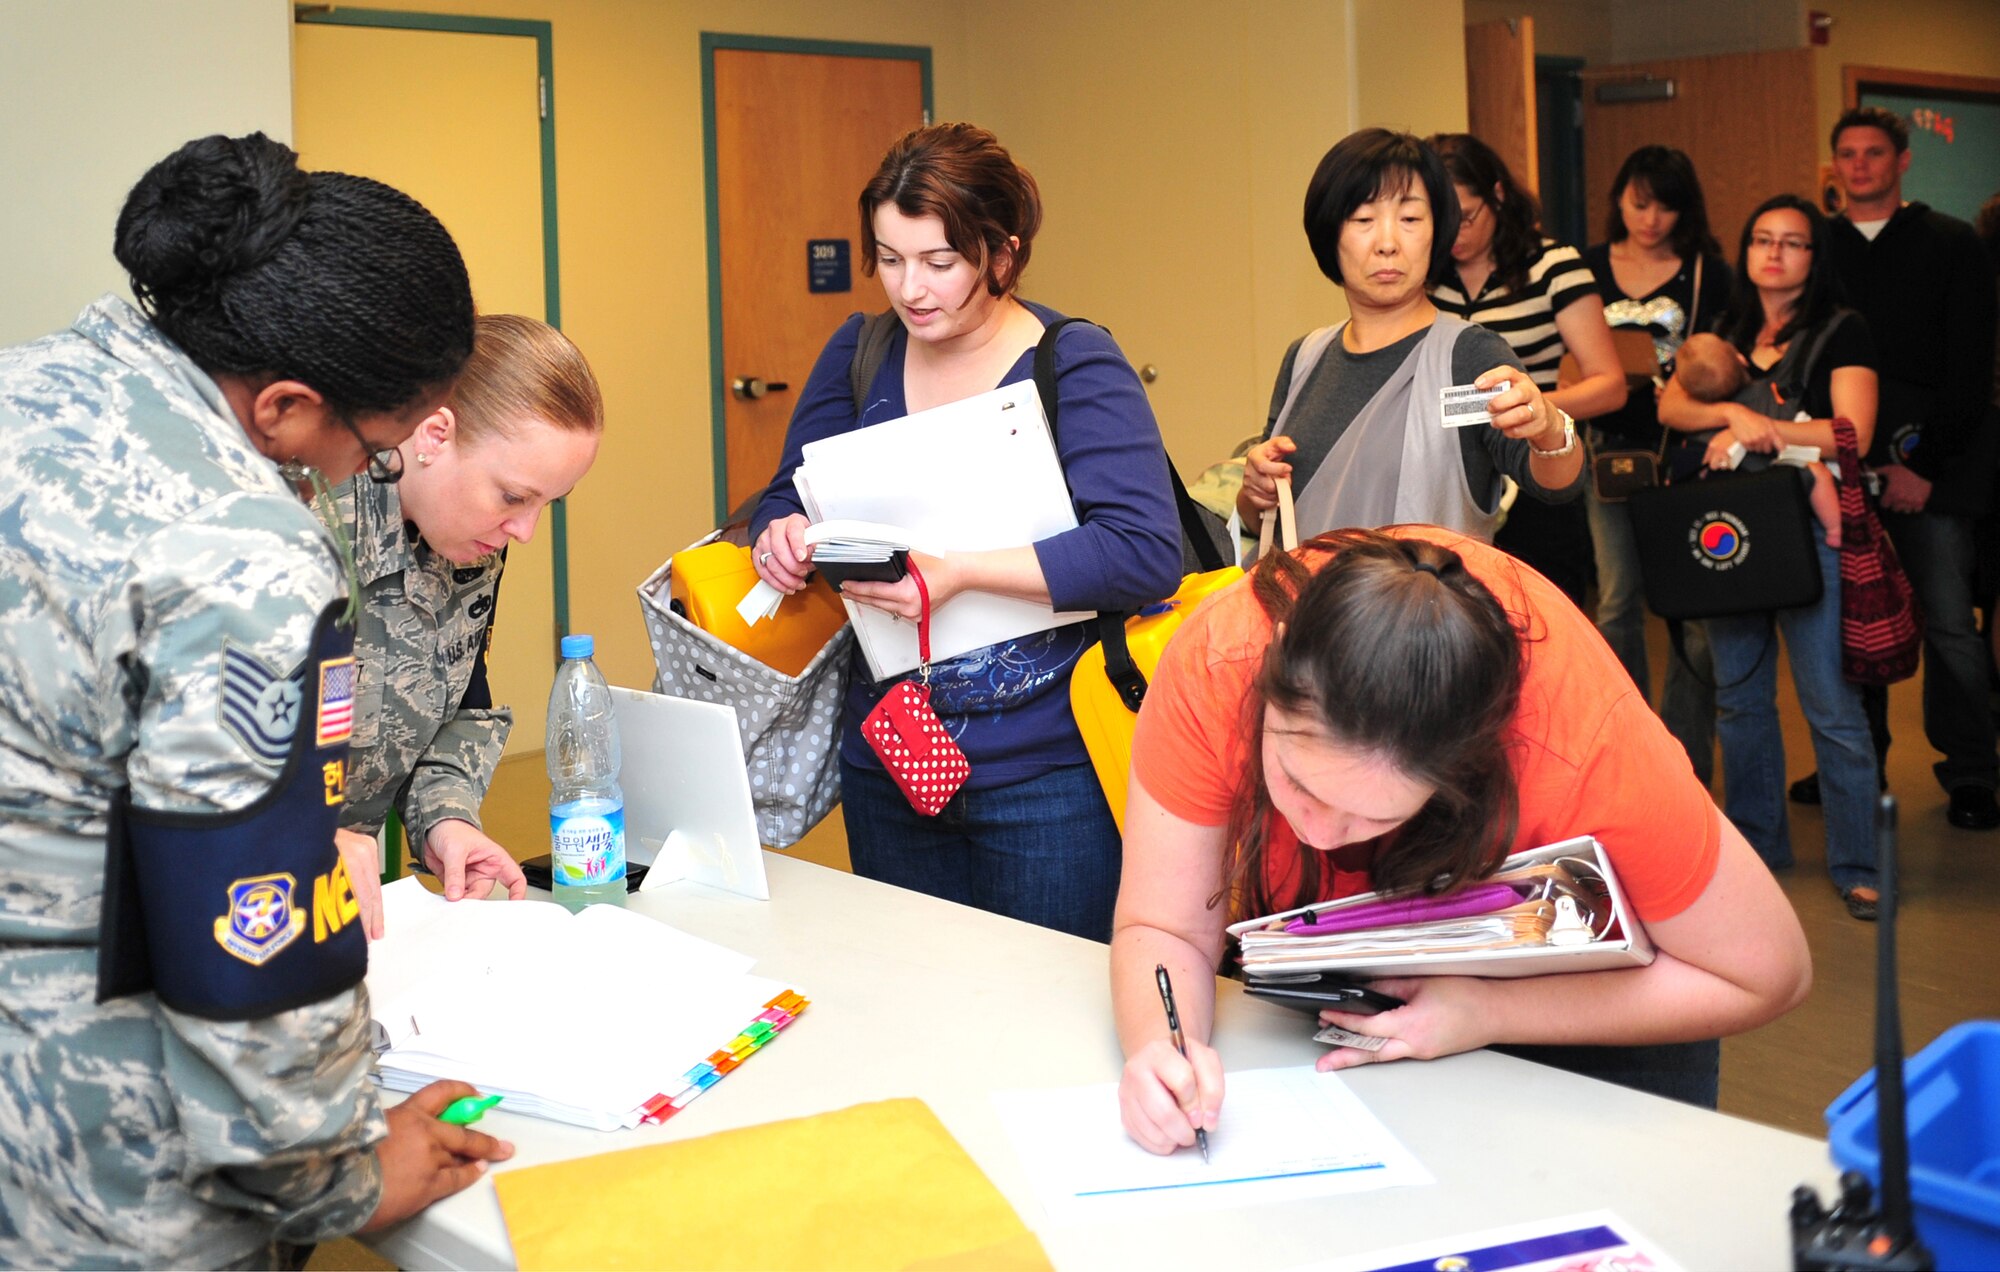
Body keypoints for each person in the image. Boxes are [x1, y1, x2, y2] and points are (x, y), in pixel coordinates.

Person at [0, 133, 512, 1267]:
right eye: (376, 454)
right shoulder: (244, 553)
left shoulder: (29, 388)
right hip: (93, 1157)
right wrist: (343, 1172)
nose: (359, 480)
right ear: (283, 405)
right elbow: (250, 930)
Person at [1111, 527, 1812, 1155]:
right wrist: (1163, 1050)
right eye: (1298, 783)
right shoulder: (1217, 665)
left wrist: (1490, 1011)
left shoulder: (1575, 740)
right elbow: (1164, 924)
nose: (1319, 833)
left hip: (1601, 1009)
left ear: (1469, 768)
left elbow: (1767, 972)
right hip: (1368, 1014)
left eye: (1369, 818)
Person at [750, 123, 1182, 942]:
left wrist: (961, 572)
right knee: (916, 1004)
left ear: (1002, 255)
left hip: (1046, 769)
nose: (910, 288)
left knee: (1045, 1017)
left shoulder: (1073, 361)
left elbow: (1141, 550)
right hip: (892, 755)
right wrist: (780, 532)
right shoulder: (862, 349)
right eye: (889, 258)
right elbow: (784, 492)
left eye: (939, 262)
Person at [326, 314, 604, 937]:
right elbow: (180, 745)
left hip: (350, 920)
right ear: (433, 433)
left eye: (545, 504)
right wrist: (294, 841)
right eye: (512, 497)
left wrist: (447, 822)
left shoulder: (470, 545)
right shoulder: (299, 526)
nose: (525, 531)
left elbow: (455, 702)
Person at [1658, 194, 1884, 919]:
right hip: (1729, 535)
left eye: (1793, 242)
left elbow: (1853, 432)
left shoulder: (1842, 331)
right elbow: (1671, 409)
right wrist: (1735, 414)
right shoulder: (1723, 330)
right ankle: (1758, 845)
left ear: (1816, 257)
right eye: (1762, 239)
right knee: (1740, 701)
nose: (1775, 253)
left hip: (1807, 536)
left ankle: (1859, 863)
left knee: (1832, 708)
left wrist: (1773, 433)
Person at [1792, 107, 2000, 831]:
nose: (1859, 166)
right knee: (1847, 624)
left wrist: (1927, 470)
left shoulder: (1952, 244)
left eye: (1873, 153)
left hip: (1931, 468)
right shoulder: (1818, 248)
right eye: (1845, 154)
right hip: (1839, 466)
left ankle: (1973, 771)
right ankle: (1853, 762)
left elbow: (1972, 369)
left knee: (1948, 625)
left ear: (1902, 160)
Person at [1235, 129, 1582, 546]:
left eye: (1410, 220)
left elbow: (1556, 484)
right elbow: (1263, 521)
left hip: (1425, 608)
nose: (1388, 243)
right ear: (1330, 234)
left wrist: (1549, 429)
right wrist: (1254, 492)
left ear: (1437, 231)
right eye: (1364, 220)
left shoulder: (1468, 356)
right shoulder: (1305, 357)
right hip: (1304, 608)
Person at [1581, 146, 1736, 785]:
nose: (1651, 219)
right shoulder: (1586, 268)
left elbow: (1730, 361)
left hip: (1685, 453)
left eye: (1666, 206)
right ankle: (1631, 753)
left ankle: (1685, 757)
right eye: (1640, 203)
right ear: (1619, 197)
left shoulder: (1707, 273)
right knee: (1617, 602)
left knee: (1696, 613)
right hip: (1606, 453)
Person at [1428, 133, 1627, 605]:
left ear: (1497, 195)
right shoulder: (1426, 276)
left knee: (1542, 618)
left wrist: (1530, 407)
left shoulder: (1553, 265)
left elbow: (1610, 385)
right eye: (1439, 220)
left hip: (1534, 469)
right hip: (1451, 474)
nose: (1455, 233)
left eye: (1467, 217)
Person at [1672, 332, 1842, 544]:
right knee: (1818, 473)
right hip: (1785, 474)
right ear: (1741, 359)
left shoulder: (1699, 421)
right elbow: (1803, 425)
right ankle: (1835, 529)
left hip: (1745, 505)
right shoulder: (1770, 392)